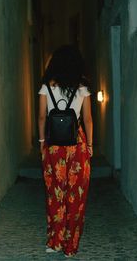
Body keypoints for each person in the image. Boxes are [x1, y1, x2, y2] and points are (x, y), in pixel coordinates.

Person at [38, 44, 93, 257]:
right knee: (75, 196)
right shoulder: (83, 88)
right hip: (77, 146)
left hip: (53, 146)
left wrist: (42, 141)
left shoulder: (46, 87)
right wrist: (89, 145)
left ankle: (55, 241)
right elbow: (87, 120)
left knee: (55, 194)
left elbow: (42, 117)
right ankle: (71, 246)